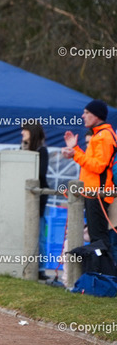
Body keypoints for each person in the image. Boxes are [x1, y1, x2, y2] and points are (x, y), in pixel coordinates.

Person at [62, 99, 117, 252]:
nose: (82, 116)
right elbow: (91, 164)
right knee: (96, 238)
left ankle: (102, 266)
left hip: (97, 194)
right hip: (92, 193)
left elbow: (98, 166)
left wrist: (75, 154)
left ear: (96, 115)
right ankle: (99, 265)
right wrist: (75, 149)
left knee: (98, 239)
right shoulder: (98, 135)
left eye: (86, 113)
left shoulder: (104, 136)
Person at [21, 122, 50, 279]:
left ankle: (41, 268)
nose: (22, 134)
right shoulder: (22, 148)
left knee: (39, 234)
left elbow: (40, 173)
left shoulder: (42, 151)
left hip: (38, 198)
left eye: (25, 131)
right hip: (22, 196)